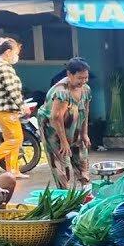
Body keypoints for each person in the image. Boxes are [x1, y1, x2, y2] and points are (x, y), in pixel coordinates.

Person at [38, 57, 93, 188]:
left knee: (82, 158)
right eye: (80, 78)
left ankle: (86, 190)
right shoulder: (61, 92)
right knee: (62, 162)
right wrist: (63, 141)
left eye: (86, 77)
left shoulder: (85, 89)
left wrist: (84, 133)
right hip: (53, 130)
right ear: (69, 74)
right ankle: (65, 193)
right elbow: (56, 118)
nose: (83, 81)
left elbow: (85, 111)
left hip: (75, 125)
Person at [0, 38, 27, 180]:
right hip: (6, 110)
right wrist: (22, 105)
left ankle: (13, 170)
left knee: (11, 140)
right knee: (16, 139)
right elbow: (11, 89)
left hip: (4, 110)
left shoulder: (1, 65)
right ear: (8, 51)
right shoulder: (3, 67)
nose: (17, 56)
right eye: (16, 53)